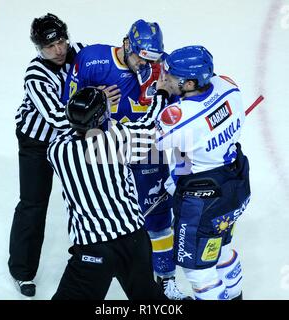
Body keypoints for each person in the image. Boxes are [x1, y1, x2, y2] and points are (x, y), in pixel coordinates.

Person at [62, 19, 188, 300]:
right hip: (107, 149)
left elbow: (183, 100)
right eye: (140, 58)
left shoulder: (160, 66)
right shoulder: (92, 59)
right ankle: (104, 260)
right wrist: (98, 98)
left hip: (146, 148)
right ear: (127, 43)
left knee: (158, 216)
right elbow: (68, 106)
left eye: (151, 60)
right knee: (111, 211)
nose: (145, 65)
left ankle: (165, 277)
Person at [47, 86, 168, 300]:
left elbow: (73, 131)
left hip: (93, 248)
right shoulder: (118, 137)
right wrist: (161, 93)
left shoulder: (56, 151)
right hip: (134, 240)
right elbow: (150, 127)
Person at [153, 45, 251, 300]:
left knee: (199, 273)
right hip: (234, 183)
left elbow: (156, 140)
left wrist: (162, 94)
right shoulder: (227, 85)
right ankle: (236, 295)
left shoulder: (179, 116)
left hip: (203, 199)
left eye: (171, 76)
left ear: (189, 83)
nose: (165, 78)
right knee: (223, 248)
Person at [9, 13, 86, 297]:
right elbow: (56, 117)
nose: (59, 50)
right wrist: (99, 100)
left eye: (61, 41)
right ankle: (22, 271)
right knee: (33, 204)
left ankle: (87, 258)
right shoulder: (35, 74)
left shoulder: (78, 52)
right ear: (38, 48)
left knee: (86, 197)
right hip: (37, 143)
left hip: (72, 137)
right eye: (50, 46)